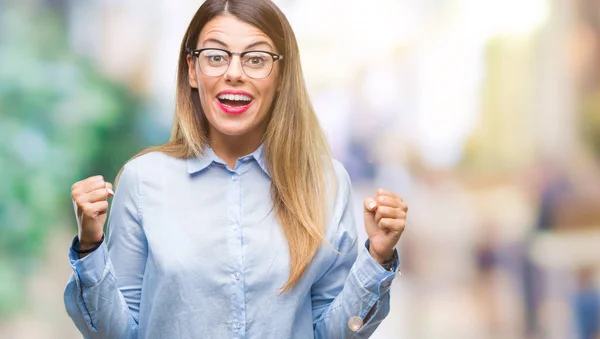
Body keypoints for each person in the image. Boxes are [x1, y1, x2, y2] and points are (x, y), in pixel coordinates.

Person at [64, 1, 408, 338]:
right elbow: (115, 333)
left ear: (281, 75)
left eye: (256, 59)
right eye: (216, 56)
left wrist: (377, 257)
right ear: (192, 70)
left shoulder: (326, 182)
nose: (234, 73)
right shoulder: (143, 180)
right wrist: (90, 246)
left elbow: (335, 333)